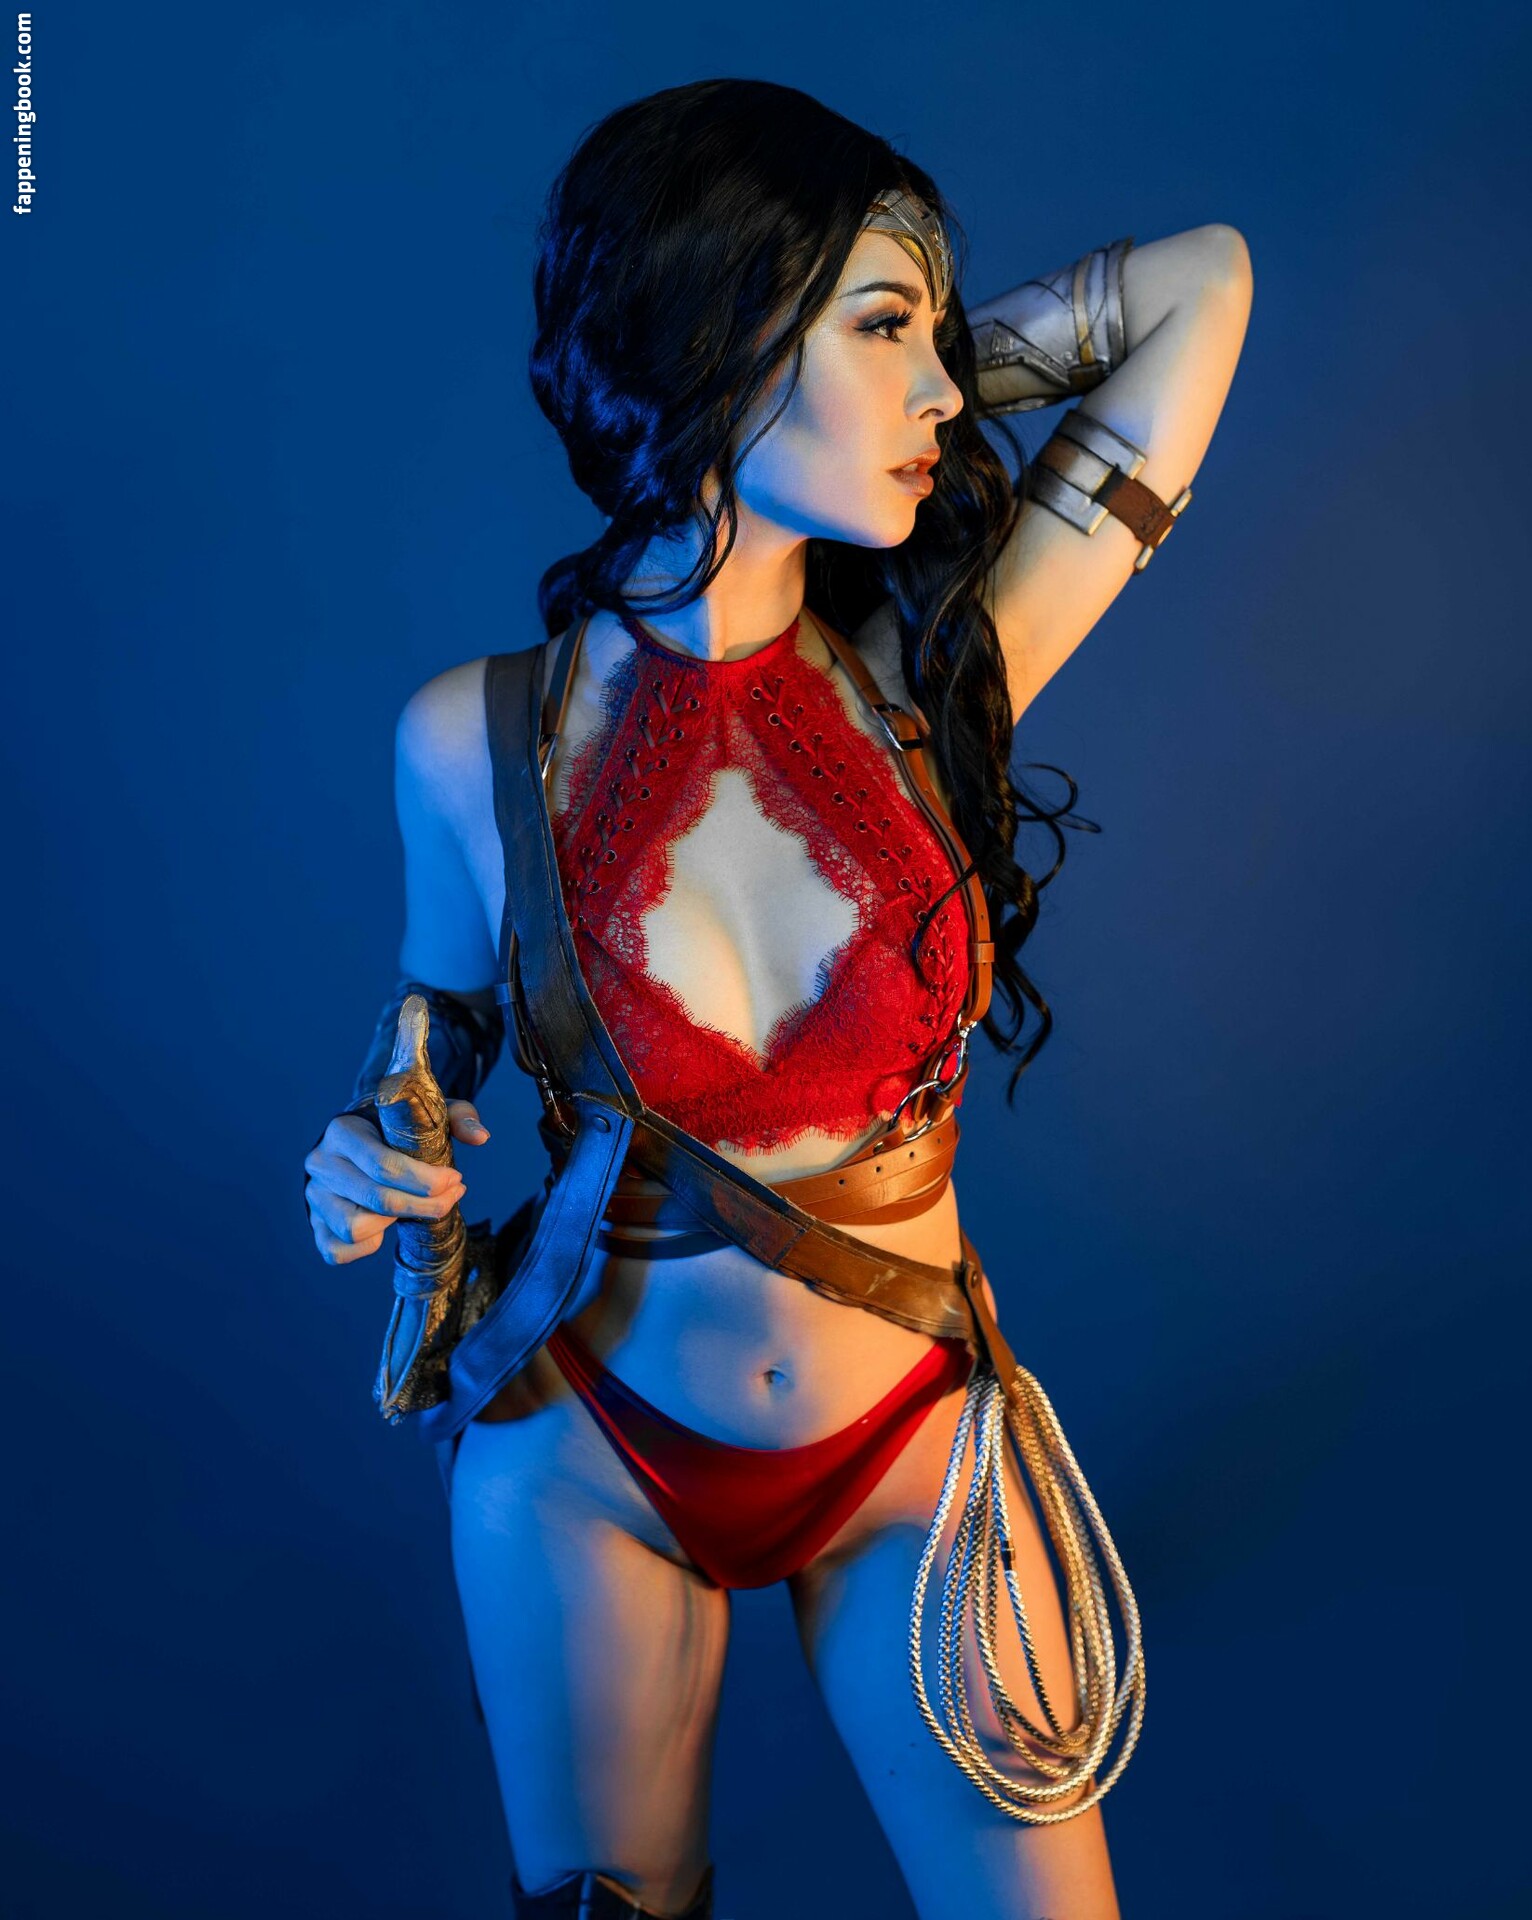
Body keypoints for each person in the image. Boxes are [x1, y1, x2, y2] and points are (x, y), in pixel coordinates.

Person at [302, 77, 1252, 1920]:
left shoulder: (941, 681)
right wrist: (370, 1155)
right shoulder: (467, 740)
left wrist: (888, 357)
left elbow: (1200, 285)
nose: (945, 393)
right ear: (721, 335)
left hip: (919, 1448)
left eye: (935, 339)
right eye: (887, 329)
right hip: (584, 1454)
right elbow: (427, 1046)